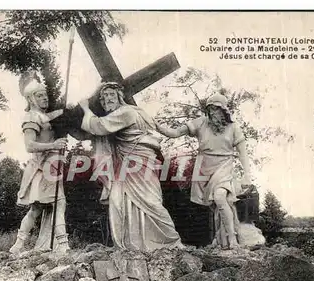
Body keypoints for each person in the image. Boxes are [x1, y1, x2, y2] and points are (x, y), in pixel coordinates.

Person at [76, 82, 184, 252]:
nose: (107, 100)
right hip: (129, 165)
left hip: (138, 163)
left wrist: (86, 108)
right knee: (118, 200)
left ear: (120, 96)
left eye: (111, 95)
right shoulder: (139, 112)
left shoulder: (126, 112)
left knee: (149, 202)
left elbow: (98, 126)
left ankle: (172, 241)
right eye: (104, 98)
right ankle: (133, 245)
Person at [155, 93, 252, 249]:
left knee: (220, 197)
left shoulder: (233, 128)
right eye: (210, 109)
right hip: (205, 169)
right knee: (216, 205)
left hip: (224, 166)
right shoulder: (200, 123)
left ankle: (232, 239)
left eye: (216, 109)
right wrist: (157, 127)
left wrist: (247, 175)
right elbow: (174, 133)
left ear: (224, 111)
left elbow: (243, 154)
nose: (213, 113)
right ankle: (221, 240)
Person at [9, 76, 70, 254]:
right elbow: (29, 146)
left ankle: (18, 245)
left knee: (38, 208)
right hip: (41, 167)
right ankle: (64, 247)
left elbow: (52, 117)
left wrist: (68, 110)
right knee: (57, 203)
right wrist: (54, 145)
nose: (45, 98)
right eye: (40, 95)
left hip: (51, 166)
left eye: (45, 95)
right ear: (30, 99)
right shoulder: (31, 117)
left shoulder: (42, 116)